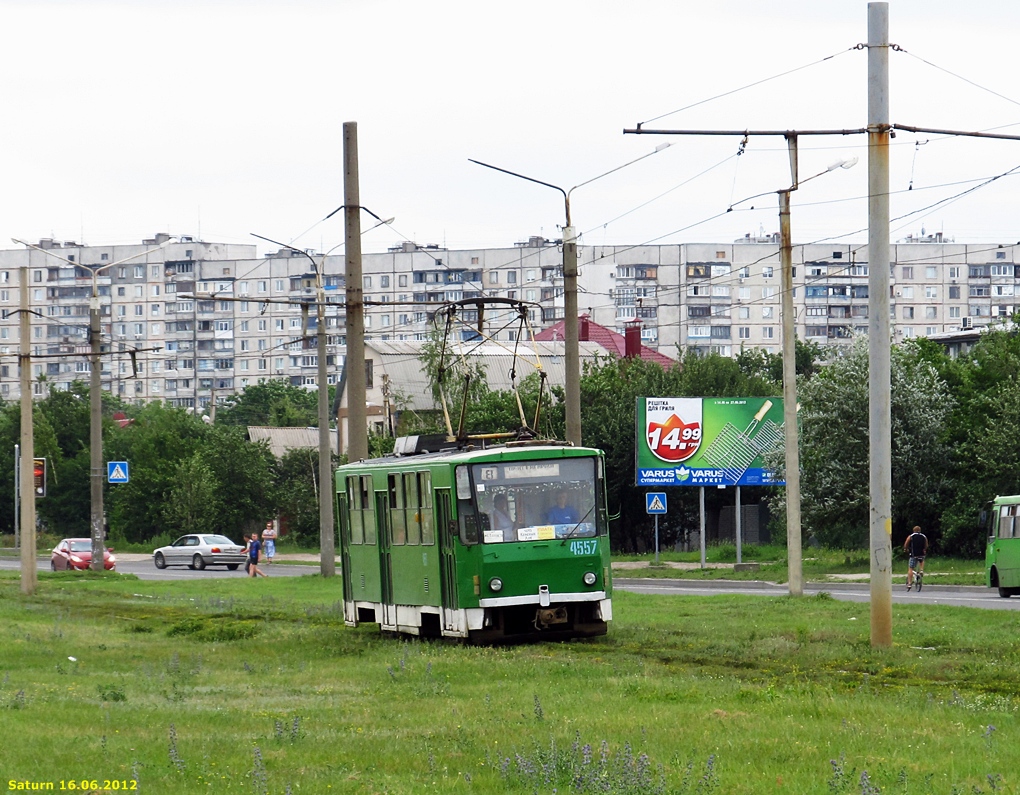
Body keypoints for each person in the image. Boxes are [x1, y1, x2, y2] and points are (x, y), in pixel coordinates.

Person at [904, 525, 928, 590]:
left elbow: (906, 544)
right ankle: (921, 570)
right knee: (922, 560)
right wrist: (924, 549)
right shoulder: (923, 536)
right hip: (921, 554)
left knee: (911, 568)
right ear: (920, 530)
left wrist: (906, 549)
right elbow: (926, 544)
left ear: (913, 530)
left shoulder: (911, 536)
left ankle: (909, 583)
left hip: (913, 554)